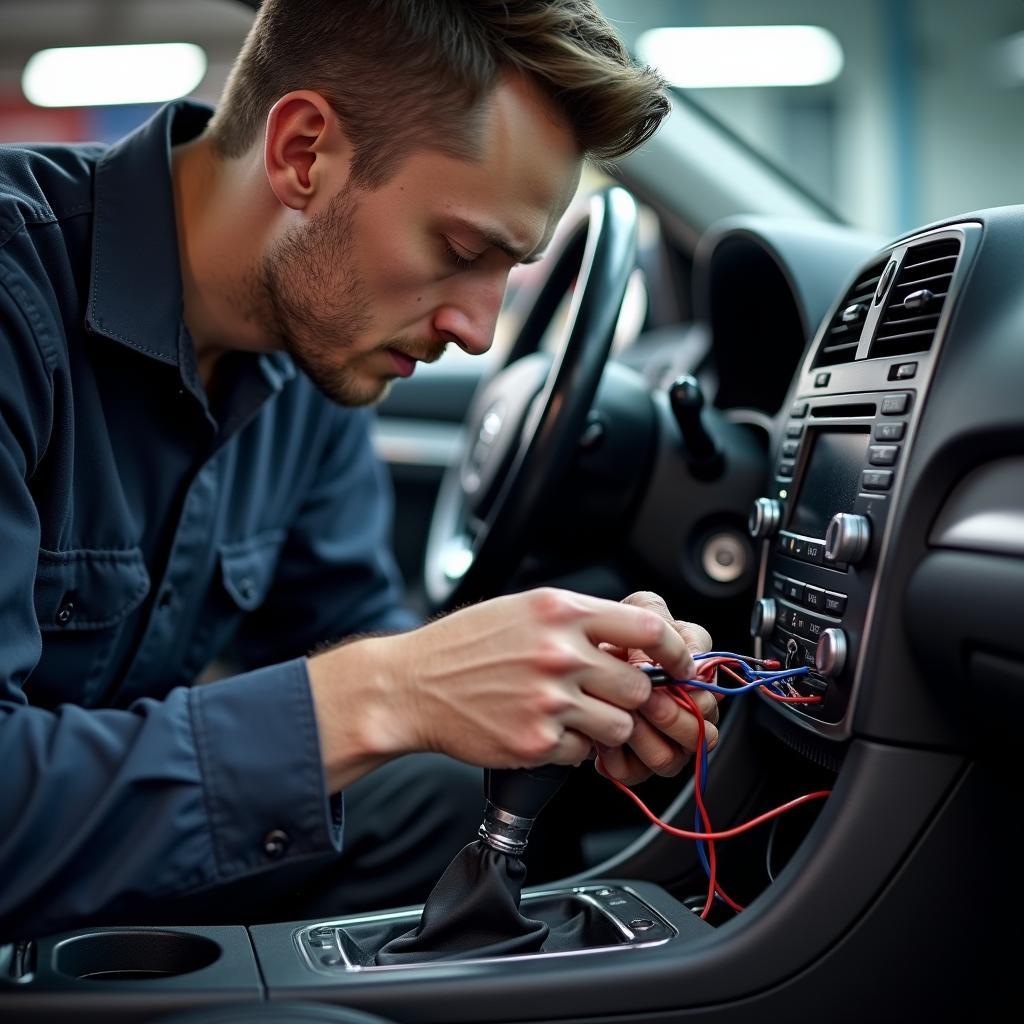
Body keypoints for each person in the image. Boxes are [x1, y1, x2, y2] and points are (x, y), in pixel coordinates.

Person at [0, 0, 718, 941]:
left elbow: (349, 642)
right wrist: (390, 690)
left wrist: (565, 694)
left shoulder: (313, 362)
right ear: (303, 152)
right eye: (462, 251)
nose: (477, 329)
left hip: (92, 876)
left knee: (443, 797)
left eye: (508, 270)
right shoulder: (18, 298)